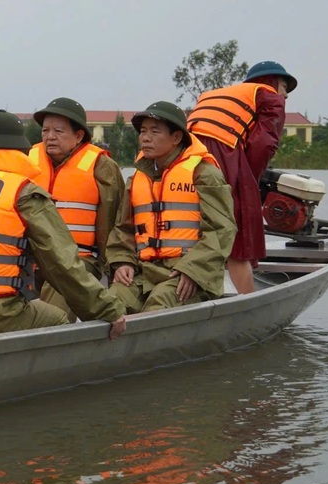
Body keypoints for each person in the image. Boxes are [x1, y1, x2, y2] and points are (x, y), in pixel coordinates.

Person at [0, 110, 126, 342]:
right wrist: (108, 310)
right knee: (57, 320)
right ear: (19, 150)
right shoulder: (23, 193)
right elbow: (62, 266)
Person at [107, 101, 236, 313]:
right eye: (142, 131)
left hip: (188, 273)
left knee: (160, 304)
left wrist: (192, 270)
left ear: (176, 138)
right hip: (143, 273)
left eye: (154, 131)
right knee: (110, 304)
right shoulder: (137, 178)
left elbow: (222, 230)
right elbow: (123, 229)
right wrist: (122, 262)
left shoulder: (204, 174)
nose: (145, 138)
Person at [186, 61, 296, 294]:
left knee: (195, 225)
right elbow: (264, 145)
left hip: (187, 156)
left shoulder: (215, 95)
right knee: (239, 231)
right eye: (284, 86)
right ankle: (248, 299)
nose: (285, 94)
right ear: (271, 81)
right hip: (222, 155)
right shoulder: (270, 96)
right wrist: (249, 182)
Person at [28, 98, 125, 320]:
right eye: (45, 130)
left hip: (78, 260)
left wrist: (112, 266)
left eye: (58, 131)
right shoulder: (27, 160)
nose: (50, 136)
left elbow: (115, 222)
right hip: (30, 258)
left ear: (79, 135)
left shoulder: (103, 167)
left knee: (53, 312)